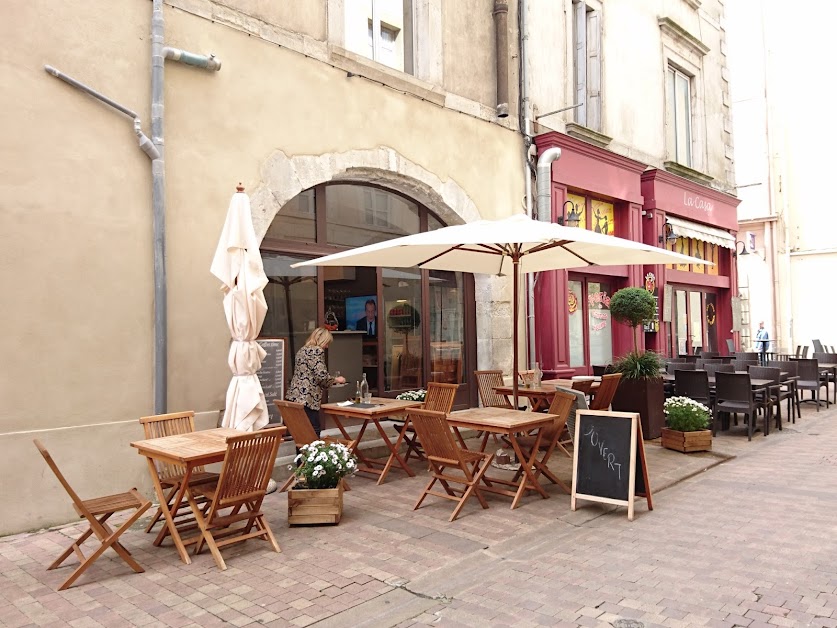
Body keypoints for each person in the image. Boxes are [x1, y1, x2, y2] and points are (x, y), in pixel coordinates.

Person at [286, 327, 345, 435]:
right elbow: (321, 376)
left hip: (295, 396)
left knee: (300, 431)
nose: (327, 347)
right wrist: (337, 380)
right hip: (308, 398)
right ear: (322, 340)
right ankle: (311, 452)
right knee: (313, 430)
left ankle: (301, 452)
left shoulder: (302, 350)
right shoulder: (316, 351)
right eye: (327, 343)